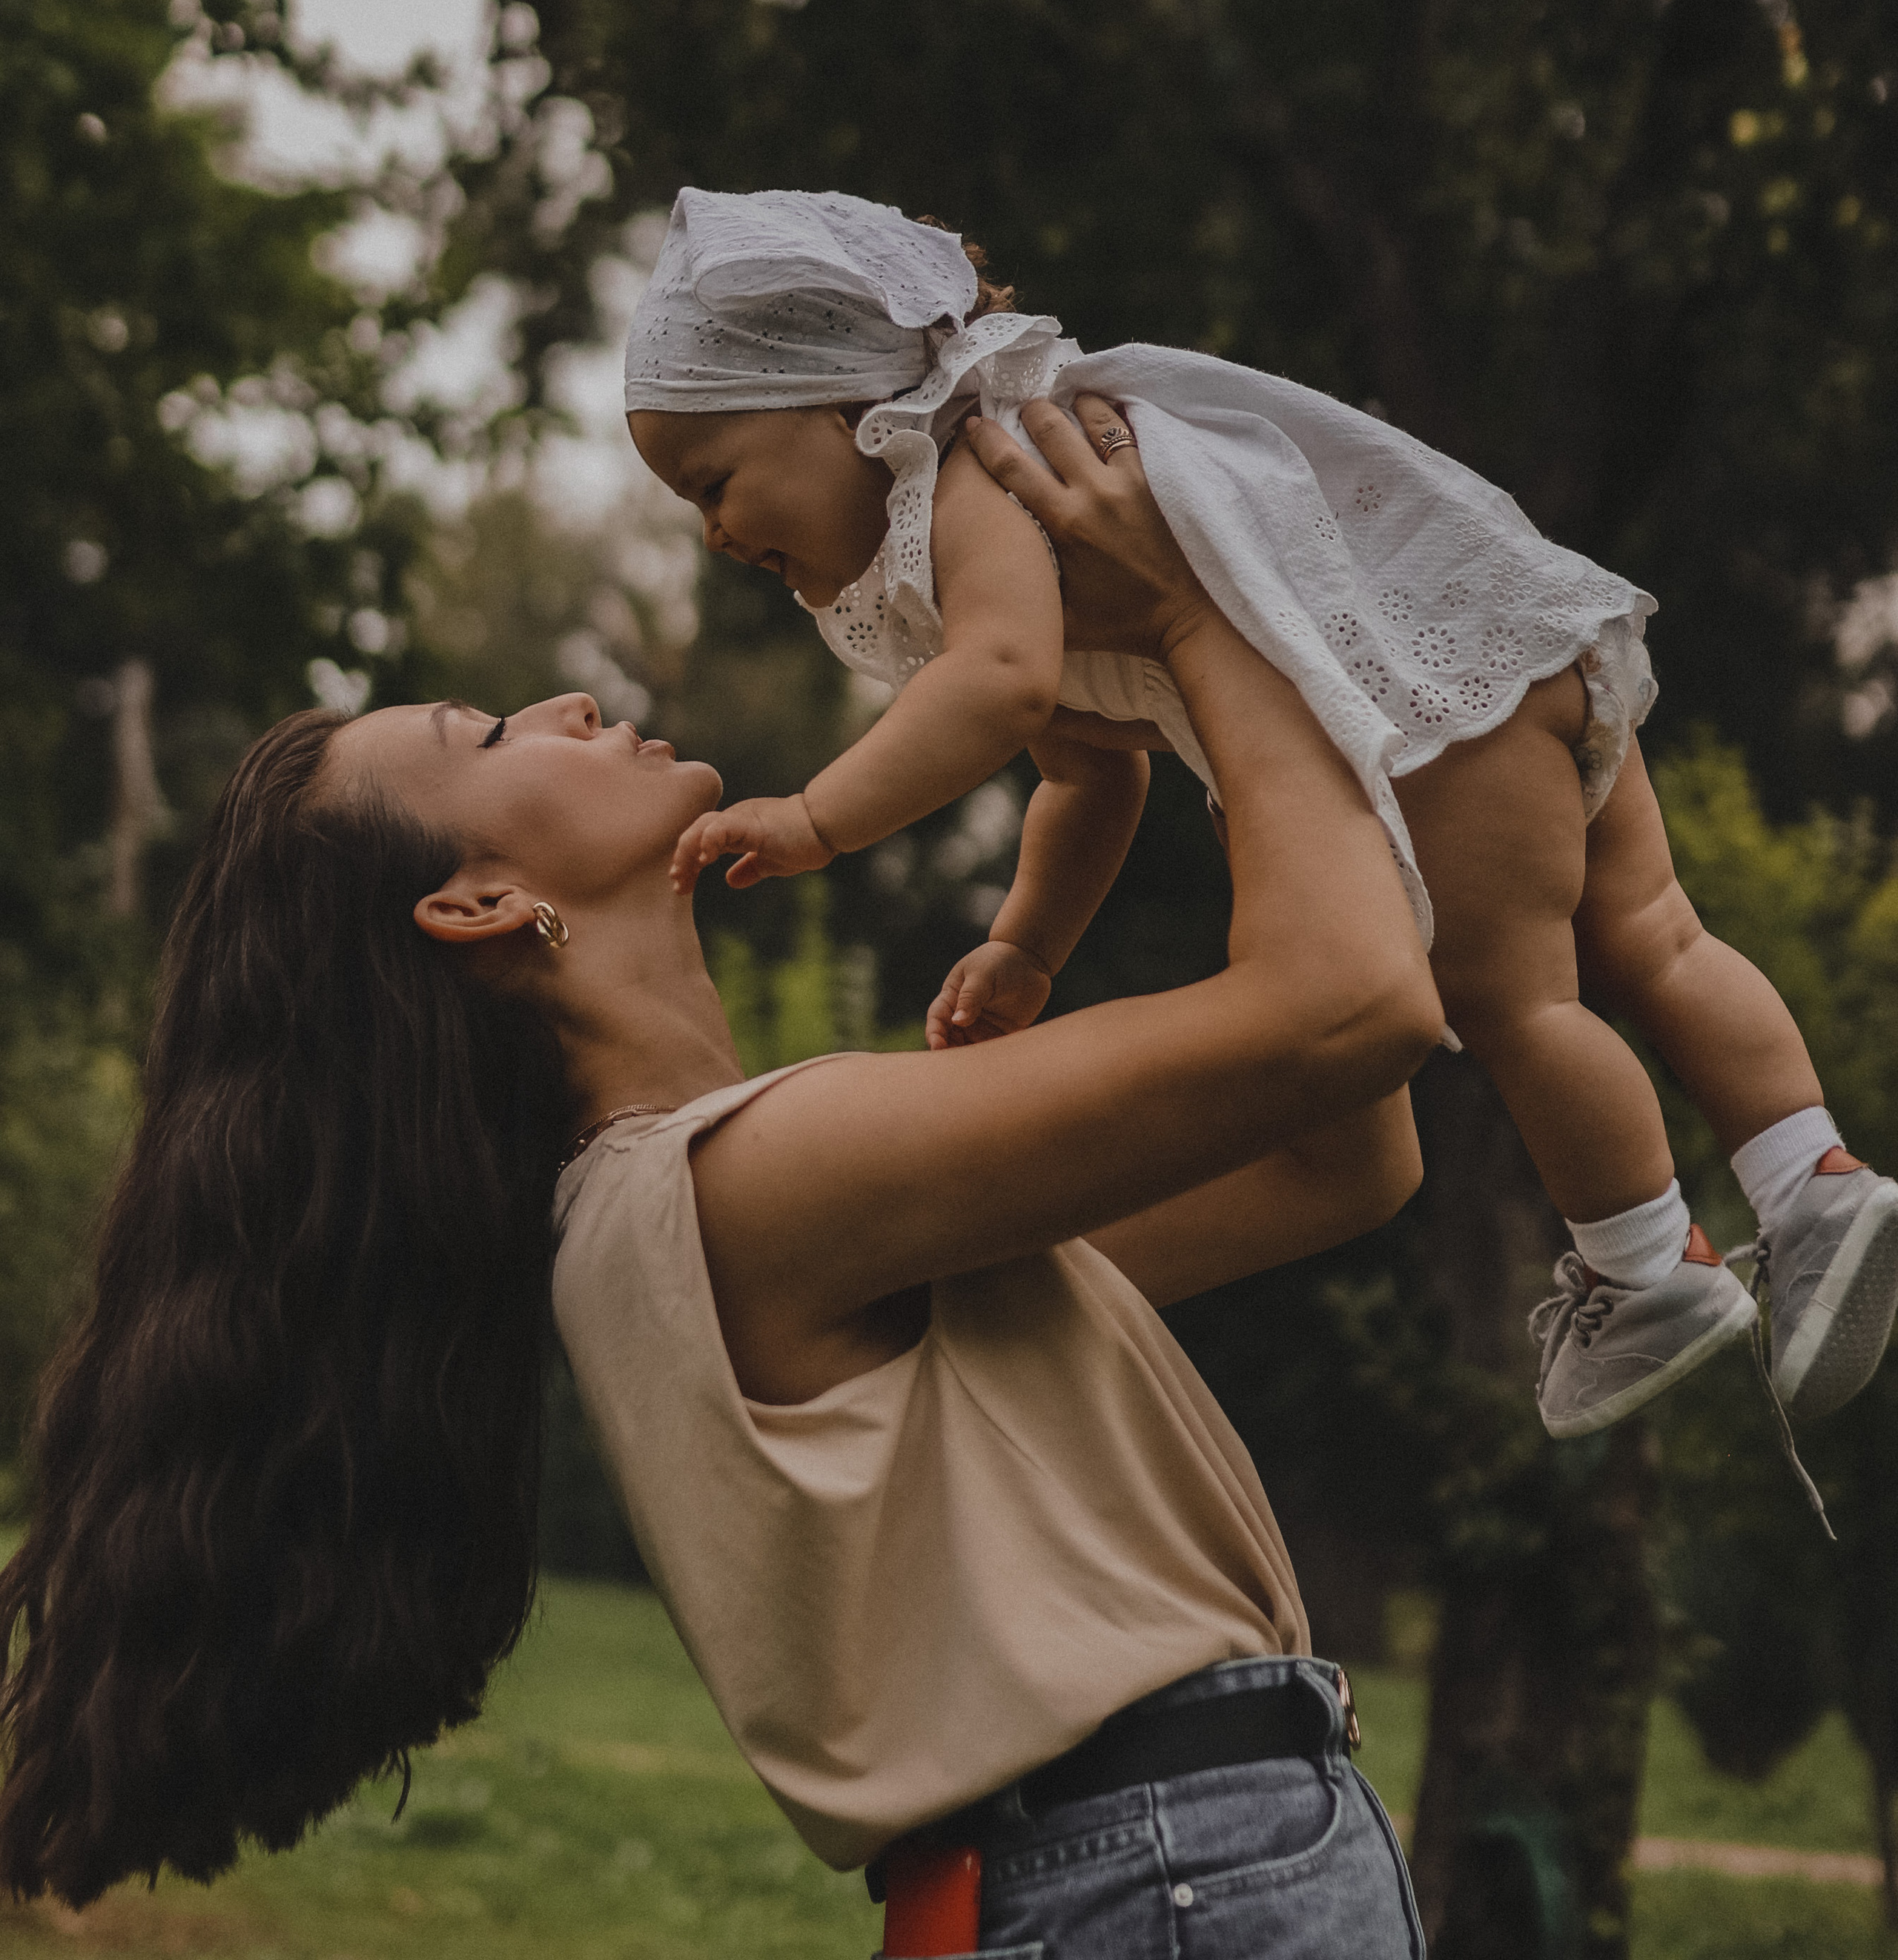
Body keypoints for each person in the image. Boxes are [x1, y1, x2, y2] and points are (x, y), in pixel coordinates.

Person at [0, 395, 1441, 1956]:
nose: (554, 701)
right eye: (482, 738)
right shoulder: (745, 1190)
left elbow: (1339, 1154)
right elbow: (1353, 1006)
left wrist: (1174, 684)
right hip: (1169, 1870)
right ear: (481, 907)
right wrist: (1185, 613)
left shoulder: (729, 1204)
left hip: (1164, 1867)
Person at [626, 185, 1898, 1441]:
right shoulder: (1035, 461)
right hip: (1508, 637)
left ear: (842, 402)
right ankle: (1813, 1180)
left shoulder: (979, 466)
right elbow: (1087, 772)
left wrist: (817, 816)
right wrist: (1029, 943)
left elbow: (998, 683)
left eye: (713, 478)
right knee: (1657, 932)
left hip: (1424, 714)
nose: (715, 535)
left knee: (1521, 1000)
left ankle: (1645, 1263)